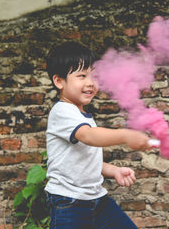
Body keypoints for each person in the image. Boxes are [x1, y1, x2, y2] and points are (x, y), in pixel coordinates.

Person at [44, 41, 152, 229]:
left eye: (94, 76)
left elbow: (85, 159)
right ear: (59, 81)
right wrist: (125, 135)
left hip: (97, 200)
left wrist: (113, 171)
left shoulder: (81, 115)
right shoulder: (62, 111)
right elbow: (89, 136)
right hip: (68, 203)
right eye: (82, 76)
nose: (90, 83)